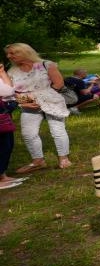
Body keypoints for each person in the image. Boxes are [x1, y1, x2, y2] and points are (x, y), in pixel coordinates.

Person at [4, 43, 72, 173]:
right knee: (28, 134)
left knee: (57, 130)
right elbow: (12, 91)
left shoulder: (47, 64)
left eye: (12, 53)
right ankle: (38, 161)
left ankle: (64, 159)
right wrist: (27, 102)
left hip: (51, 101)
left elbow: (58, 83)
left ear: (24, 52)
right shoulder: (12, 71)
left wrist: (44, 98)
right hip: (29, 104)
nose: (9, 56)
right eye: (8, 54)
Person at [0, 68, 22, 190]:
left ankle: (2, 175)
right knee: (3, 145)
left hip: (3, 113)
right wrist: (2, 73)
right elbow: (8, 91)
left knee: (7, 144)